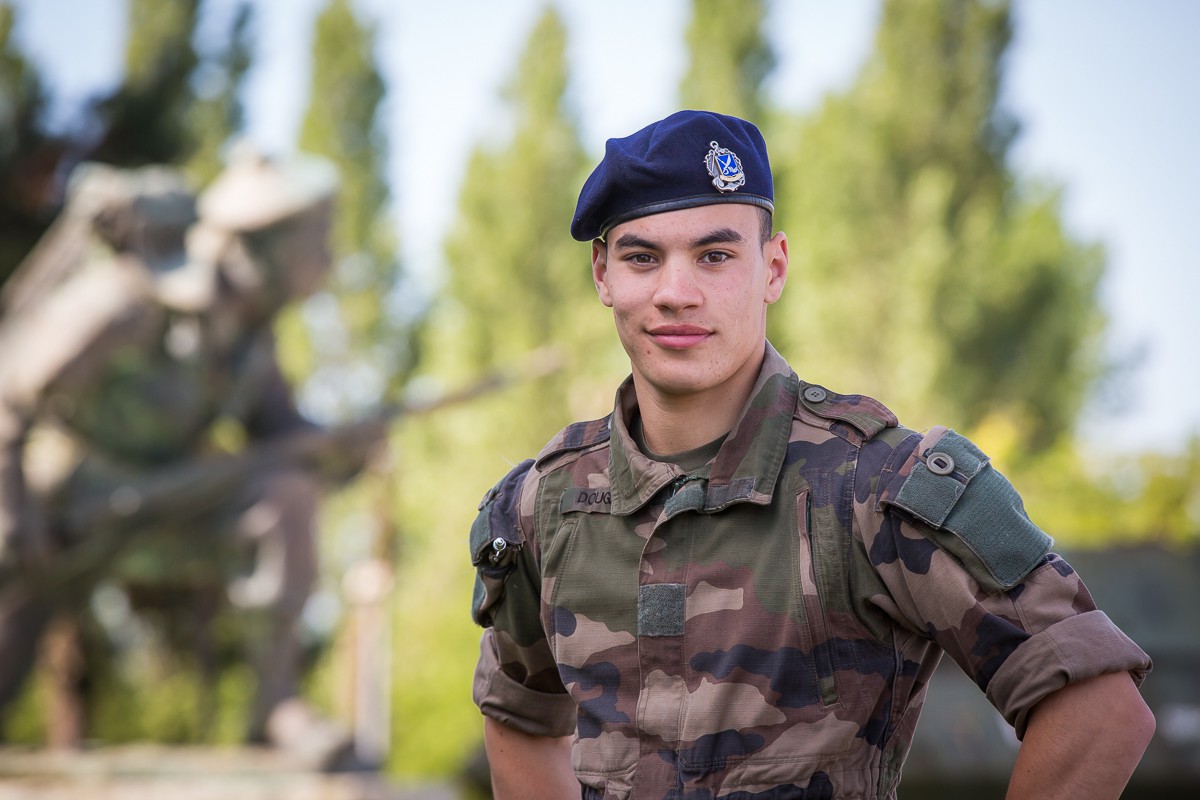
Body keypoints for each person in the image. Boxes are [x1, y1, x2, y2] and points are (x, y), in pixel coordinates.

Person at [468, 110, 1155, 799]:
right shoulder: (545, 505)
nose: (676, 294)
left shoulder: (879, 487)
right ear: (603, 274)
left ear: (773, 268)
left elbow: (1100, 712)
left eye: (715, 256)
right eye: (642, 258)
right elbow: (521, 720)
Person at [0, 149, 380, 764]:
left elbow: (280, 436)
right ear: (263, 245)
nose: (328, 258)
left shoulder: (252, 337)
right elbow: (10, 393)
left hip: (162, 508)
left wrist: (343, 447)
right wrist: (13, 512)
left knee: (285, 491)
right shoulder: (130, 298)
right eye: (317, 240)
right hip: (61, 510)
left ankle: (274, 706)